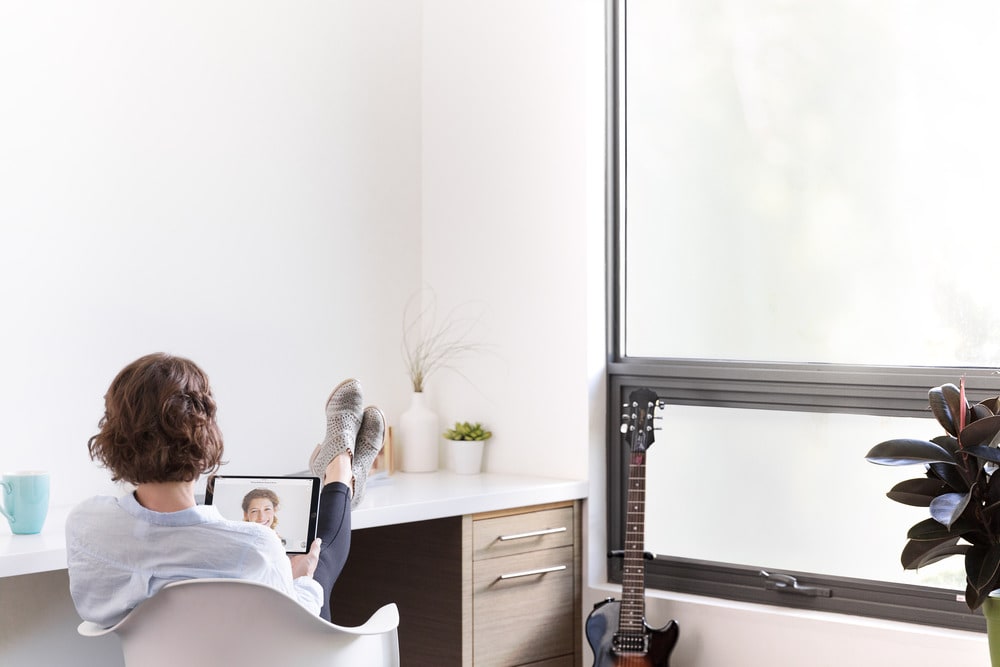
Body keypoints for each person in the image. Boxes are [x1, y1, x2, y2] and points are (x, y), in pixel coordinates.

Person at [65, 353, 385, 627]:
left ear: (112, 436)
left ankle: (339, 474)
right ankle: (340, 470)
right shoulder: (257, 547)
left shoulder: (84, 526)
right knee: (317, 564)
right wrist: (299, 580)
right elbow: (299, 626)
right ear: (205, 435)